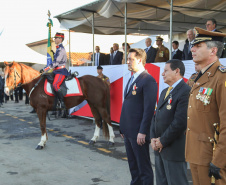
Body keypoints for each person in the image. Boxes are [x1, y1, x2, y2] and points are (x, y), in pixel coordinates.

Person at [185, 27, 226, 185]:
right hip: (195, 153)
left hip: (212, 156)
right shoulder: (199, 77)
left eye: (198, 46)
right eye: (193, 45)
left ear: (213, 50)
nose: (192, 48)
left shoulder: (221, 77)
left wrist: (219, 160)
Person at [120, 48, 157, 185]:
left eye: (131, 59)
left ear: (140, 60)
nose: (128, 62)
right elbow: (127, 106)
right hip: (128, 131)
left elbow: (149, 110)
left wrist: (143, 131)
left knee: (143, 168)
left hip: (138, 133)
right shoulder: (132, 79)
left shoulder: (148, 80)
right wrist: (122, 128)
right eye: (128, 59)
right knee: (133, 166)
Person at [150, 59, 190, 185]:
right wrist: (153, 138)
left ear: (177, 71)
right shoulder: (164, 91)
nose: (163, 74)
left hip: (173, 150)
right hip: (159, 149)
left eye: (166, 71)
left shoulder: (185, 91)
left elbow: (180, 122)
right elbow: (156, 117)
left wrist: (162, 141)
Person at [42, 32, 69, 108]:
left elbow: (56, 62)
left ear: (60, 39)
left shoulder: (61, 49)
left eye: (56, 38)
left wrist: (46, 69)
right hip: (56, 71)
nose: (55, 39)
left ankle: (62, 102)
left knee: (55, 85)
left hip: (61, 71)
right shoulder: (58, 49)